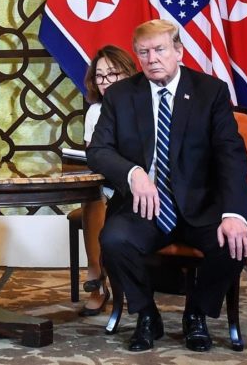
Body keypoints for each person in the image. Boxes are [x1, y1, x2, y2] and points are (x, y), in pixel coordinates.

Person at [87, 19, 247, 352]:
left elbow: (231, 155)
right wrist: (134, 173)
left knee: (233, 243)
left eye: (160, 50)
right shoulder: (120, 95)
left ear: (178, 51)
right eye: (143, 52)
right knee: (114, 240)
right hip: (144, 207)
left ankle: (196, 314)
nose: (151, 59)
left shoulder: (210, 92)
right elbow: (99, 151)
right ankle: (147, 314)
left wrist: (234, 212)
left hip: (201, 205)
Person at [78, 45, 137, 316]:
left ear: (128, 74)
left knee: (100, 198)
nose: (105, 82)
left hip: (138, 183)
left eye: (112, 74)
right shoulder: (95, 112)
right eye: (99, 76)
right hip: (107, 183)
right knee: (92, 196)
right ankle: (96, 278)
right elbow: (95, 156)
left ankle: (100, 276)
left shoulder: (144, 105)